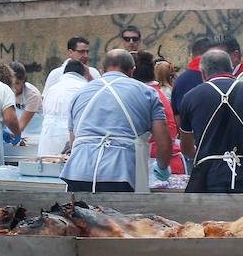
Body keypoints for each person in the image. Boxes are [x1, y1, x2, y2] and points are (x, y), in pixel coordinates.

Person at [61, 49, 171, 192]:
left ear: (101, 70)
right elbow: (164, 143)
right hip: (121, 173)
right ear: (132, 71)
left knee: (76, 214)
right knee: (119, 215)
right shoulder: (148, 93)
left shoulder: (79, 93)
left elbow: (73, 140)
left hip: (78, 171)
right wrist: (162, 168)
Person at [177, 49, 243, 194]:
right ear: (231, 69)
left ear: (203, 73)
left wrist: (207, 153)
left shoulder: (191, 97)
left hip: (209, 177)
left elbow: (187, 148)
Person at [135, 51, 185, 176]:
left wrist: (161, 168)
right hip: (168, 162)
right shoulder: (156, 93)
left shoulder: (146, 95)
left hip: (157, 165)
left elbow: (163, 139)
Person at [39, 60, 88, 157]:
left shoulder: (52, 88)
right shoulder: (85, 88)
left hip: (48, 137)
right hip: (72, 136)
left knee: (46, 168)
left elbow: (43, 112)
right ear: (83, 74)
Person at [9, 61, 42, 141]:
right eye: (11, 83)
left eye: (17, 83)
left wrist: (13, 136)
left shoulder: (33, 95)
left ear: (23, 81)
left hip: (34, 136)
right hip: (15, 132)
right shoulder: (5, 91)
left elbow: (21, 126)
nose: (14, 87)